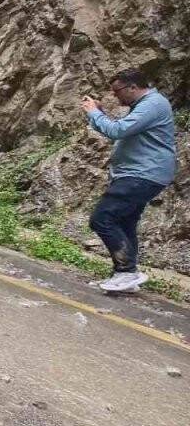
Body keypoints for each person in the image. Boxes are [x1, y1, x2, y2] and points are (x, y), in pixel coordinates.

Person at [82, 68, 177, 293]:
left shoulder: (152, 104)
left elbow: (118, 131)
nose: (115, 96)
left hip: (142, 173)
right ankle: (126, 276)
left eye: (117, 91)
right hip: (141, 173)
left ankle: (127, 272)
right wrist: (98, 114)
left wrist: (95, 113)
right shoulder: (145, 105)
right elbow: (116, 129)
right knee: (125, 222)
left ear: (133, 87)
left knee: (102, 218)